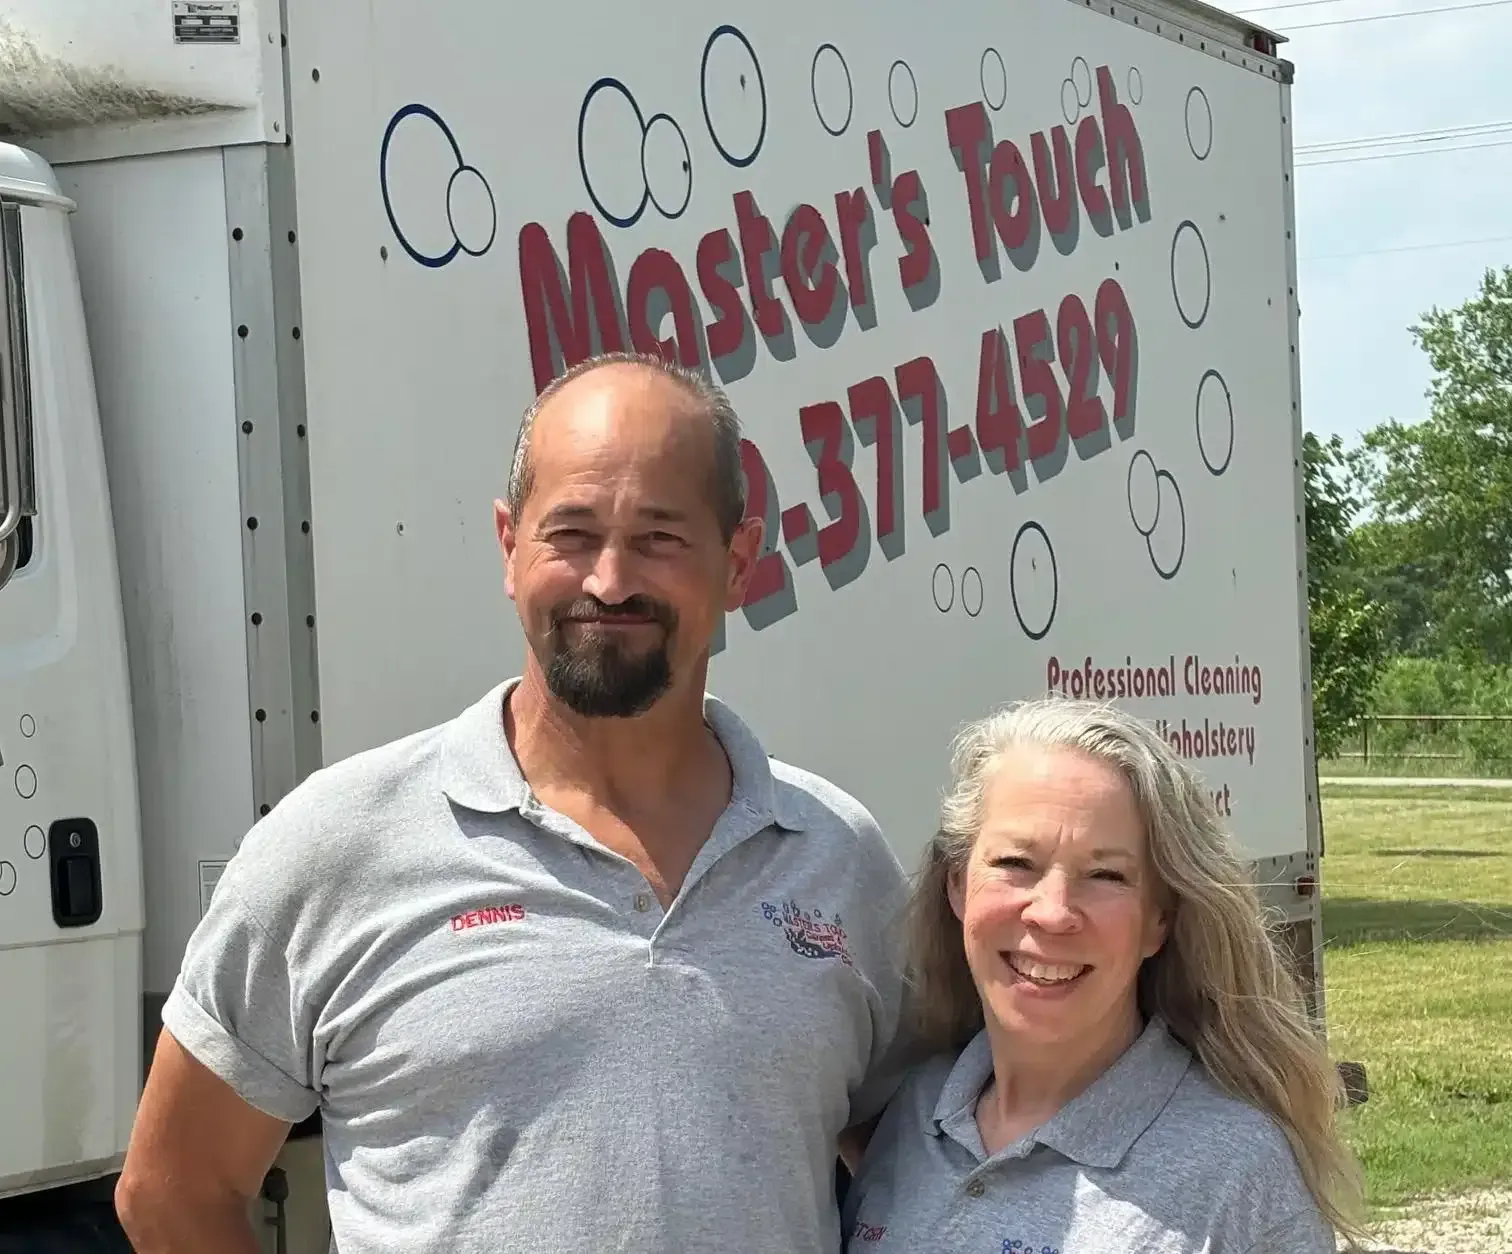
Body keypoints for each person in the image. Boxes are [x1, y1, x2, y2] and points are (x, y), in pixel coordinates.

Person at [114, 352, 916, 1253]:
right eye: (570, 533)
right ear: (508, 546)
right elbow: (175, 1190)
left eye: (659, 538)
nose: (610, 582)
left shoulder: (837, 857)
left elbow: (921, 1159)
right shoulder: (337, 845)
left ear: (737, 564)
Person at [841, 697, 1368, 1253]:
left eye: (1106, 875)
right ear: (956, 886)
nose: (1053, 911)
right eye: (1016, 864)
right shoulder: (916, 1112)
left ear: (1158, 921)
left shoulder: (1236, 1173)